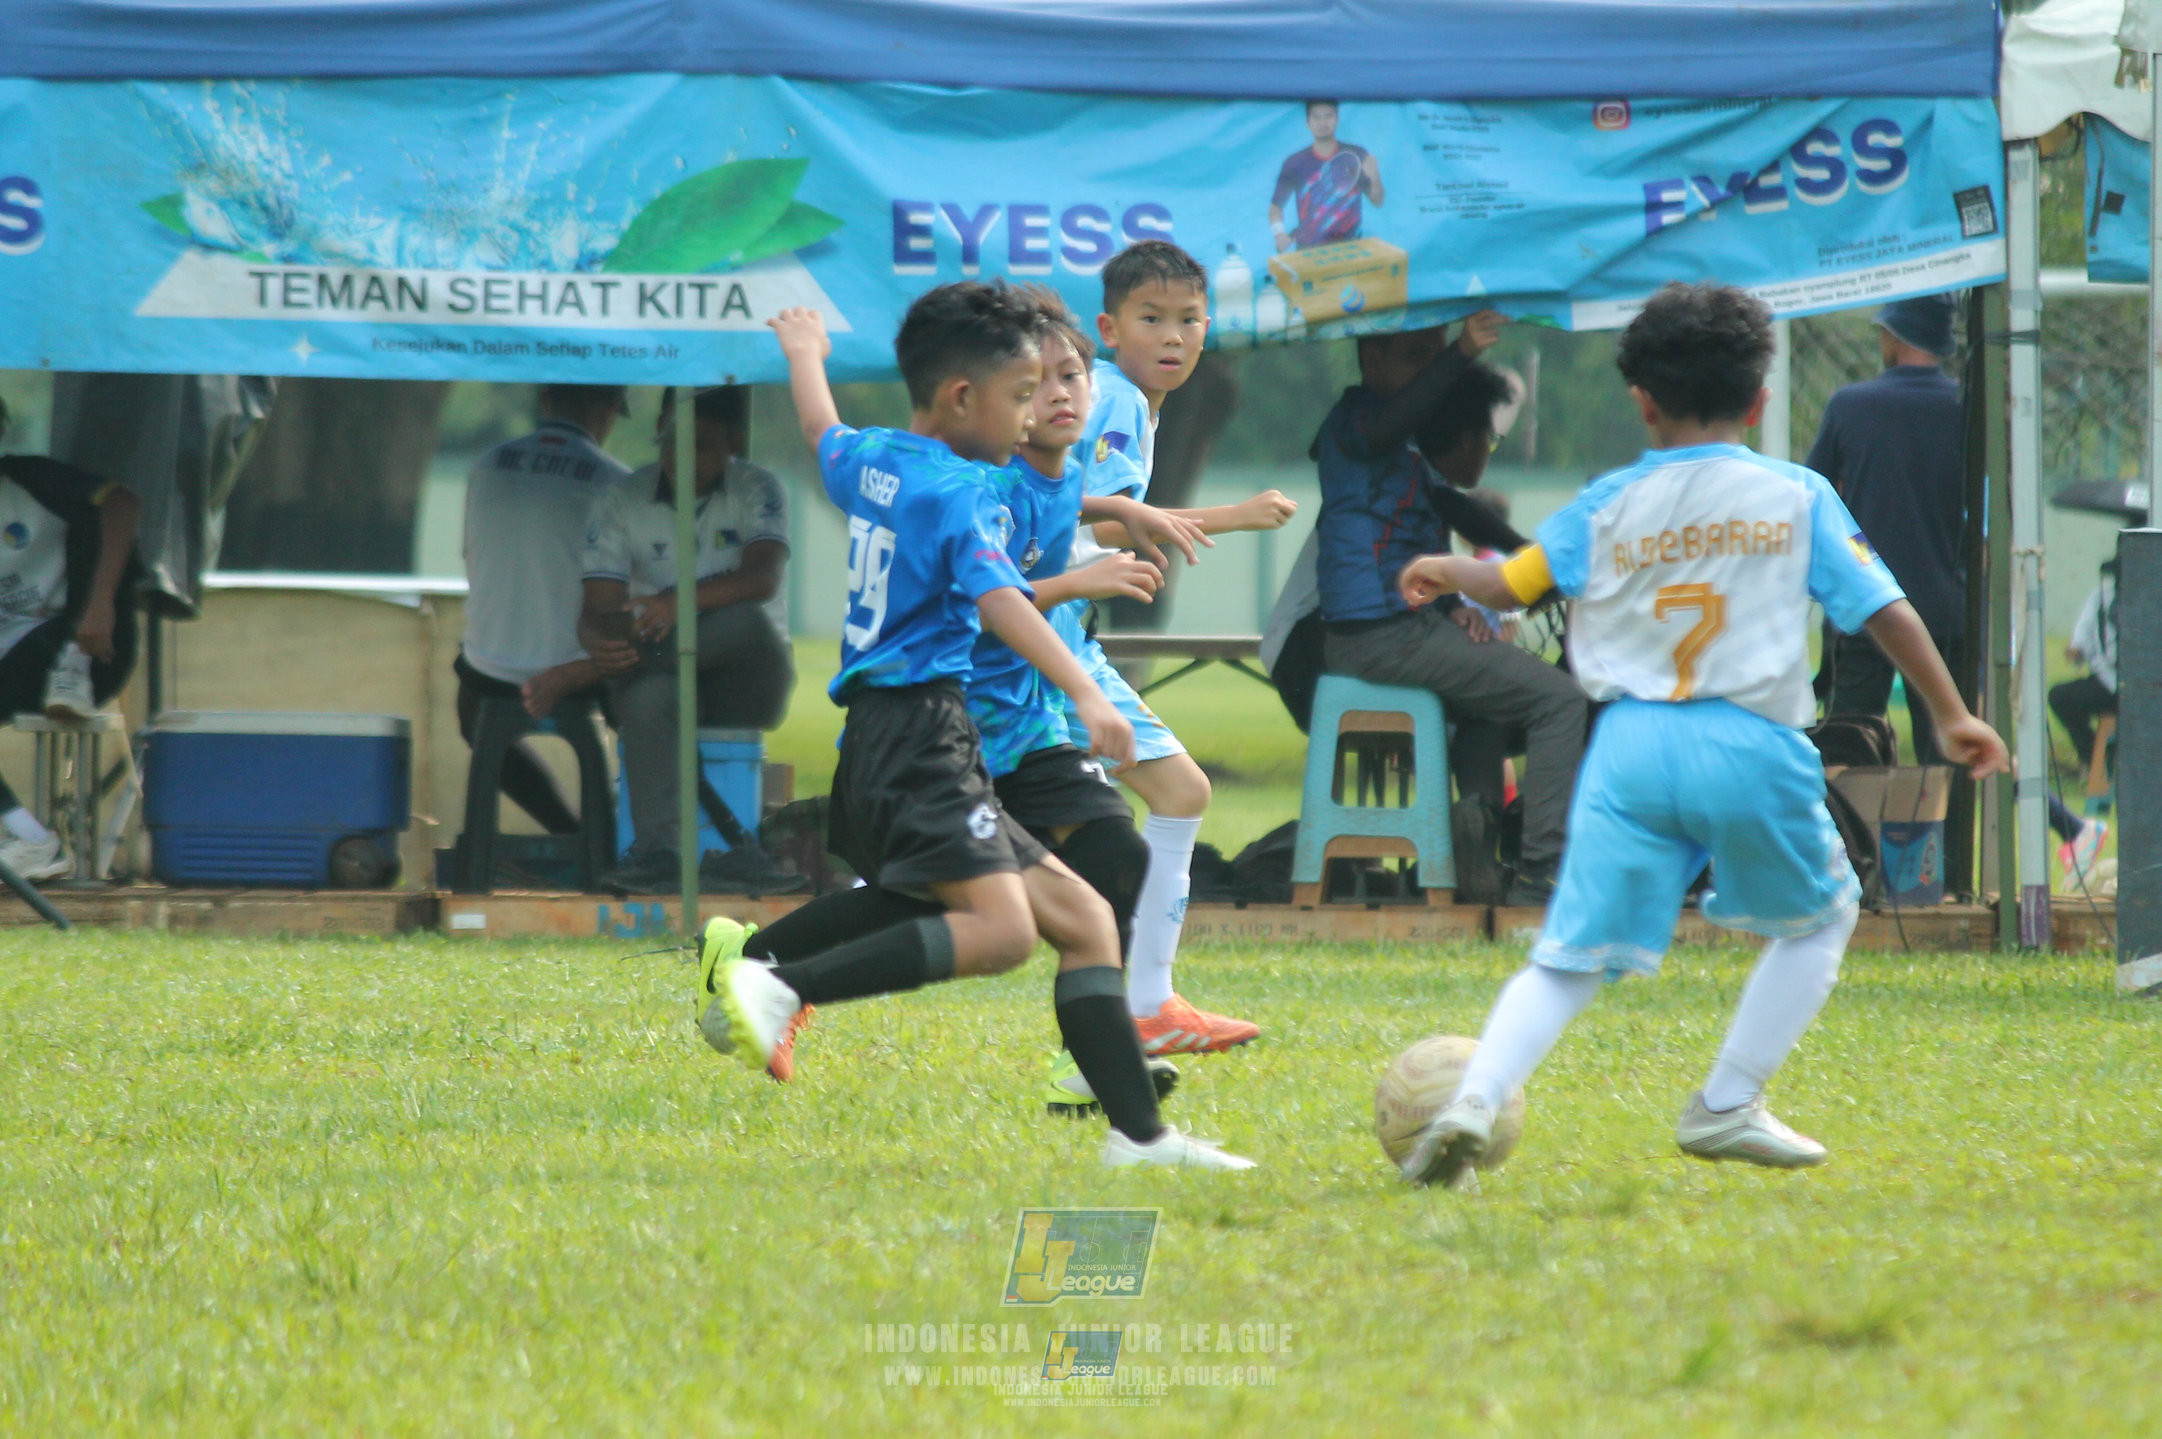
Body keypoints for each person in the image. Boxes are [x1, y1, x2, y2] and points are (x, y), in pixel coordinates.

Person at [1392, 282, 2009, 1190]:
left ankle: (1476, 1098)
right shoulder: (1797, 494)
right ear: (1760, 401)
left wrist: (1442, 565)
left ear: (1641, 402)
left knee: (1567, 956)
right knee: (1823, 914)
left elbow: (1512, 584)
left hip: (1629, 749)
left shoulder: (1607, 502)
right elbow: (1887, 610)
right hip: (1751, 744)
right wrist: (1953, 714)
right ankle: (1726, 1100)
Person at [696, 287, 1252, 1171]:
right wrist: (1091, 694)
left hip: (899, 728)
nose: (1039, 409)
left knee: (1083, 919)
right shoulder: (963, 493)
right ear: (963, 399)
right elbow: (1003, 601)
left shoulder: (879, 458)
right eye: (1024, 393)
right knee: (1001, 933)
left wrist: (806, 352)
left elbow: (819, 432)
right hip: (921, 731)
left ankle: (1140, 1138)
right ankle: (775, 982)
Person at [1058, 240, 1293, 1054]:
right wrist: (1234, 515)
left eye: (1190, 320)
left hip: (1049, 633)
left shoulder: (1126, 401)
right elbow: (1104, 518)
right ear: (1108, 327)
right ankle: (779, 964)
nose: (1174, 336)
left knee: (1170, 796)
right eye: (1151, 318)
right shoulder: (1117, 401)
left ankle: (1143, 1009)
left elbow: (1091, 512)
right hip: (1045, 640)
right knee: (960, 844)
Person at [1315, 318, 1585, 906]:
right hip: (1381, 636)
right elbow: (1408, 449)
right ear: (1371, 361)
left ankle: (1478, 829)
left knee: (1491, 706)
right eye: (1418, 357)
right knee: (1560, 700)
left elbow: (1461, 512)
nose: (1435, 373)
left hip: (1397, 630)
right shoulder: (1360, 422)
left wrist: (1516, 574)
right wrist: (1461, 351)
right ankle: (1542, 876)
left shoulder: (1403, 449)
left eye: (1437, 359)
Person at [578, 385, 796, 894]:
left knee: (744, 619)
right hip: (664, 671)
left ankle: (603, 675)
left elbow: (762, 579)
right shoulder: (620, 499)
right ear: (659, 435)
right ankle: (660, 856)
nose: (688, 460)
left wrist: (676, 602)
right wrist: (596, 643)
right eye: (676, 444)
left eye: (705, 446)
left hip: (747, 676)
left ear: (734, 443)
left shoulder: (757, 488)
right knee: (650, 696)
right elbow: (596, 610)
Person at [456, 383, 629, 840]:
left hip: (489, 669)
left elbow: (474, 560)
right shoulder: (617, 481)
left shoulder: (485, 466)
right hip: (579, 674)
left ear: (544, 400)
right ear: (611, 409)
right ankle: (618, 840)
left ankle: (566, 830)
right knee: (642, 693)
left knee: (474, 721)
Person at [1806, 292, 1966, 764]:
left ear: (1893, 335)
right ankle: (1945, 838)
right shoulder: (1966, 406)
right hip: (1943, 606)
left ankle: (1854, 838)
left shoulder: (1850, 406)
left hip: (1861, 602)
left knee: (1849, 743)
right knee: (1945, 744)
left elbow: (1815, 497)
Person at [0, 397, 142, 880]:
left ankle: (71, 669)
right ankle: (32, 840)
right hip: (17, 655)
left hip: (94, 641)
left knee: (94, 511)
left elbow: (124, 502)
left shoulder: (28, 479)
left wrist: (101, 602)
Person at [2049, 562, 2117, 878]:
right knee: (2062, 696)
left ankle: (2097, 760)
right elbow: (2078, 644)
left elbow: (2078, 646)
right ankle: (2098, 760)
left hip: (2120, 686)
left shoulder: (2104, 596)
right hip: (2118, 684)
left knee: (2061, 696)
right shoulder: (2103, 597)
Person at [1270, 100, 1384, 252]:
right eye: (1316, 117)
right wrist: (1279, 234)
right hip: (1309, 252)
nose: (1323, 122)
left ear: (1337, 119)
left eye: (1328, 116)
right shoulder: (1294, 163)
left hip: (1352, 249)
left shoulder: (1356, 155)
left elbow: (1378, 201)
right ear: (1308, 123)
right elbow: (1276, 207)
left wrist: (1375, 177)